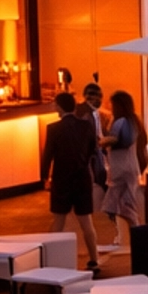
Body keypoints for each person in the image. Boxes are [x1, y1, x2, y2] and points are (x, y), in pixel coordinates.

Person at [40, 91, 101, 273]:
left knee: (59, 220)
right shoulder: (86, 126)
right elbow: (93, 148)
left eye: (55, 104)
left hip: (61, 179)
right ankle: (94, 259)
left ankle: (50, 260)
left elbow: (48, 156)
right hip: (82, 178)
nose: (53, 107)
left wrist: (45, 178)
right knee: (86, 222)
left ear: (60, 106)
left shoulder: (53, 129)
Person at [102, 87, 148, 249]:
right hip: (130, 167)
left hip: (121, 169)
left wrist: (104, 142)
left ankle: (134, 235)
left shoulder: (121, 122)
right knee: (126, 205)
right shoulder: (134, 121)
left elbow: (120, 141)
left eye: (112, 104)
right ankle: (132, 236)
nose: (110, 107)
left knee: (115, 206)